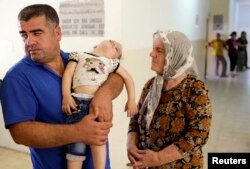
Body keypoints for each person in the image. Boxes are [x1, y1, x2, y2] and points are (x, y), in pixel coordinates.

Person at [0, 4, 124, 169]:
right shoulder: (17, 78)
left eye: (37, 33)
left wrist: (105, 94)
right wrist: (78, 132)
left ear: (57, 33)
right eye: (24, 35)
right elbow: (20, 133)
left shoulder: (77, 59)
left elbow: (117, 76)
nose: (29, 42)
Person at [127, 30, 212, 169]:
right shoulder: (151, 85)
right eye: (153, 49)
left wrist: (157, 158)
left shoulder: (195, 89)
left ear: (176, 56)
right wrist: (130, 144)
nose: (151, 54)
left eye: (159, 50)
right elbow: (135, 118)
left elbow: (198, 134)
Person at [62, 40, 138, 169]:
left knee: (99, 141)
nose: (114, 45)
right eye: (112, 42)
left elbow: (128, 78)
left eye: (117, 49)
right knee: (75, 145)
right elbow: (68, 74)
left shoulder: (111, 63)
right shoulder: (79, 55)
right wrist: (67, 96)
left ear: (115, 58)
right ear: (95, 46)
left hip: (97, 107)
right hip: (77, 104)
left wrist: (131, 100)